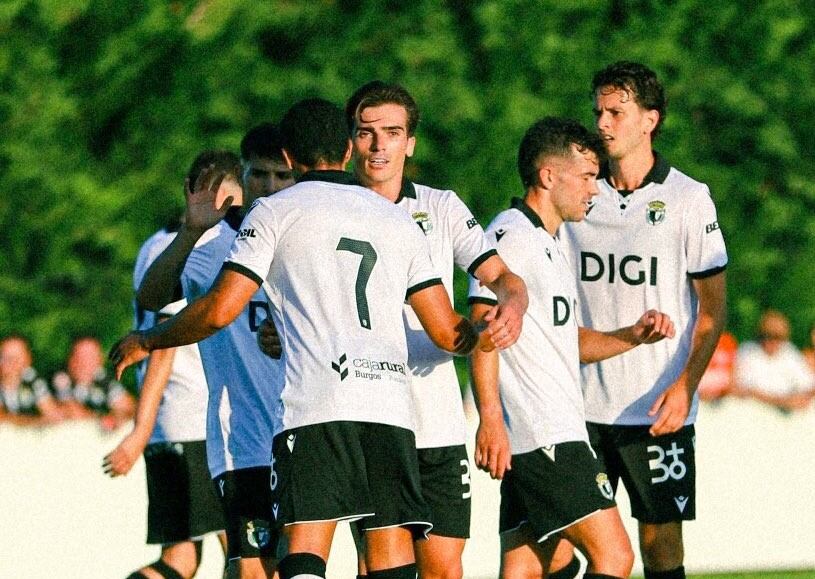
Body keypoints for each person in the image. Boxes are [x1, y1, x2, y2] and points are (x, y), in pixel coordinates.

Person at [110, 98, 499, 579]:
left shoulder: (275, 213)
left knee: (305, 551)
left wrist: (150, 340)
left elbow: (219, 310)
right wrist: (485, 329)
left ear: (291, 159)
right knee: (388, 554)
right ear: (346, 146)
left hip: (316, 406)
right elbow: (446, 332)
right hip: (389, 410)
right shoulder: (397, 217)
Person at [470, 116, 676, 579]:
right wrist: (490, 418)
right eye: (586, 176)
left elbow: (566, 343)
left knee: (528, 568)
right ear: (548, 176)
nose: (595, 189)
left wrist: (630, 336)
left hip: (549, 432)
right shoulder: (510, 236)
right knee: (615, 557)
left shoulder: (550, 244)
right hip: (545, 436)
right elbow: (484, 329)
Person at [343, 80, 527, 579]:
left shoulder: (441, 207)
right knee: (383, 566)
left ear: (410, 143)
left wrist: (514, 299)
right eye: (366, 133)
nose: (379, 146)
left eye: (392, 133)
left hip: (438, 420)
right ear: (349, 142)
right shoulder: (328, 210)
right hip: (370, 419)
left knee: (445, 569)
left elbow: (499, 275)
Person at [559, 61, 729, 579]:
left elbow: (713, 309)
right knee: (564, 547)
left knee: (660, 547)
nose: (603, 123)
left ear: (650, 119)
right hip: (579, 407)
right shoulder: (577, 194)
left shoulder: (687, 197)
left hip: (656, 409)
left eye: (616, 111)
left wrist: (685, 386)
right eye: (599, 112)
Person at [135, 128, 294, 579]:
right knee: (250, 568)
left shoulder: (307, 237)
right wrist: (189, 232)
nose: (268, 186)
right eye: (258, 174)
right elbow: (153, 296)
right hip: (240, 435)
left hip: (304, 428)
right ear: (243, 177)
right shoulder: (216, 244)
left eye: (280, 175)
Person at [104, 201, 228, 579]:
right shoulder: (196, 249)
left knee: (180, 562)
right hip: (195, 423)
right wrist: (139, 432)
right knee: (246, 556)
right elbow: (165, 340)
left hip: (168, 422)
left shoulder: (154, 245)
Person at [731, 309, 815, 412]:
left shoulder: (789, 352)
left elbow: (807, 385)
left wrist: (800, 398)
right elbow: (745, 389)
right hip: (754, 415)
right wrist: (782, 402)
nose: (772, 341)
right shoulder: (748, 351)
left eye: (778, 337)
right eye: (767, 335)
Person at [51, 336, 135, 429]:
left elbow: (128, 407)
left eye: (91, 357)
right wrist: (103, 418)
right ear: (71, 360)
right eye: (81, 357)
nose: (86, 364)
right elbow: (74, 413)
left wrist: (117, 416)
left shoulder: (102, 379)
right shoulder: (61, 380)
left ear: (100, 360)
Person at [0, 334, 62, 426]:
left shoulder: (34, 381)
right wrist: (35, 421)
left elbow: (53, 415)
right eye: (7, 357)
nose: (13, 363)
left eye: (18, 357)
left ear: (28, 360)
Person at [696, 331, 738, 402]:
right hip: (698, 398)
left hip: (722, 399)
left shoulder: (728, 341)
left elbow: (733, 375)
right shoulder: (695, 340)